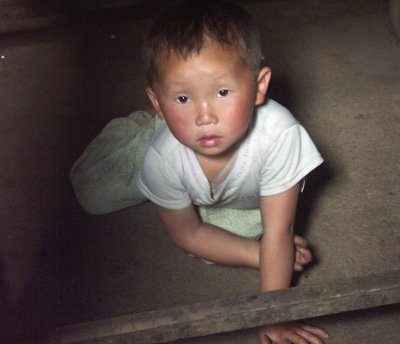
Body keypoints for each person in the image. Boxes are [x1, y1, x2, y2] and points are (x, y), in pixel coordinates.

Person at [70, 1, 329, 343]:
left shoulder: (281, 137)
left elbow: (278, 232)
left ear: (259, 87)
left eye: (222, 92)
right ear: (158, 103)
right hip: (166, 141)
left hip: (227, 180)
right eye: (182, 98)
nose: (204, 115)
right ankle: (138, 128)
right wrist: (258, 255)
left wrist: (273, 317)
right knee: (91, 193)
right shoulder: (161, 158)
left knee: (257, 231)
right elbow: (187, 234)